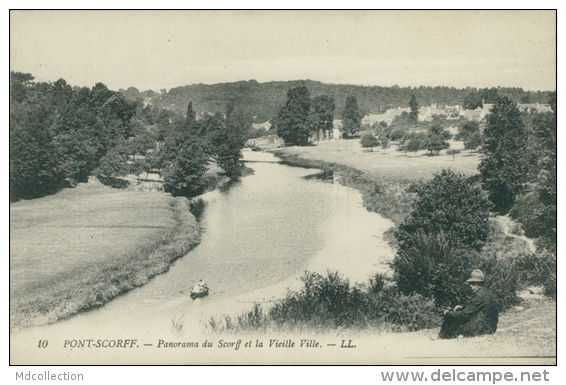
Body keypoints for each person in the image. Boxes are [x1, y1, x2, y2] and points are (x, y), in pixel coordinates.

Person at [438, 269, 499, 339]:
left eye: (473, 284)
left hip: (481, 329)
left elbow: (465, 315)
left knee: (450, 319)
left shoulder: (478, 296)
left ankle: (441, 340)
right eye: (471, 284)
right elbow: (475, 307)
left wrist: (448, 313)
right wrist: (462, 307)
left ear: (480, 284)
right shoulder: (486, 292)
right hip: (490, 327)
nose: (470, 286)